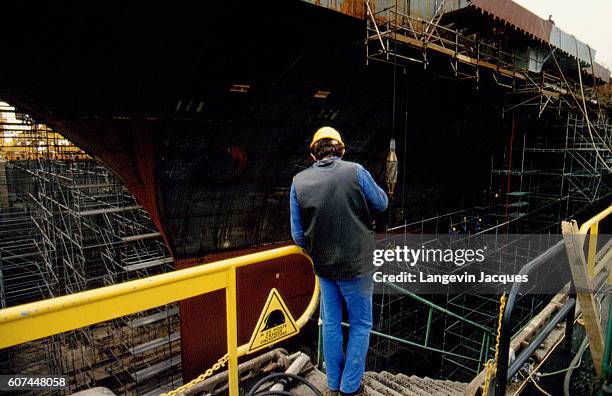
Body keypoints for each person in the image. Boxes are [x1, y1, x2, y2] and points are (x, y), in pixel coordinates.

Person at [290, 126, 388, 395]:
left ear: (313, 154)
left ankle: (333, 382)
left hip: (324, 267)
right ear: (341, 150)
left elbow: (298, 236)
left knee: (331, 322)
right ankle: (350, 386)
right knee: (360, 324)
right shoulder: (356, 171)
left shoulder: (298, 182)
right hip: (357, 265)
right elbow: (381, 203)